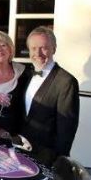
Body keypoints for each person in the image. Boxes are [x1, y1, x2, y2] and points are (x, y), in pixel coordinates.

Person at [18, 26, 80, 157]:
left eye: (43, 48)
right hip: (20, 150)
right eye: (33, 48)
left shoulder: (66, 81)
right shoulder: (26, 75)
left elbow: (67, 126)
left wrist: (59, 158)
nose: (38, 53)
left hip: (46, 154)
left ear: (54, 49)